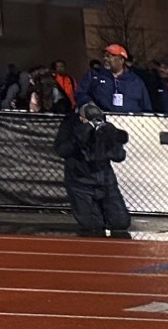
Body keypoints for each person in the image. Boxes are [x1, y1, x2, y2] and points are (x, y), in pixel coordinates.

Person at [51, 101, 132, 235]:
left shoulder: (106, 129)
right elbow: (62, 151)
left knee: (120, 223)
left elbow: (119, 156)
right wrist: (83, 133)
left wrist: (107, 138)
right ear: (81, 118)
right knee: (92, 227)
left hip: (105, 182)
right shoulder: (70, 127)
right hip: (80, 183)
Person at [84, 44, 150, 114]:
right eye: (104, 56)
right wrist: (89, 105)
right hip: (104, 120)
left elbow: (146, 105)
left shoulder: (136, 81)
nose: (105, 59)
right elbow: (81, 93)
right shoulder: (95, 76)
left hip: (129, 121)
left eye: (109, 56)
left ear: (121, 60)